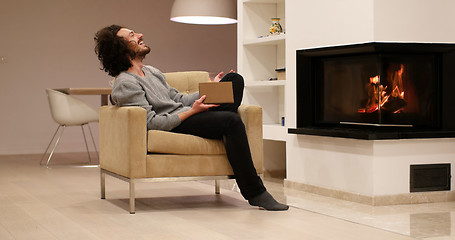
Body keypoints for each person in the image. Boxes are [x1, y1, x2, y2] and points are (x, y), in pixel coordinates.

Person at [94, 25, 288, 211]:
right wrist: (192, 112)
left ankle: (220, 121)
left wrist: (212, 87)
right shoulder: (125, 83)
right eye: (133, 35)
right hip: (174, 124)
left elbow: (178, 99)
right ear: (121, 48)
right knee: (231, 120)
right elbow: (150, 122)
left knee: (234, 81)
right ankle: (256, 193)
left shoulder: (152, 72)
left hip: (187, 113)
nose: (140, 35)